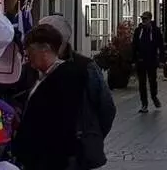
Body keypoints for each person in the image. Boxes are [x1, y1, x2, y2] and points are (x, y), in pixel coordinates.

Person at [39, 14, 116, 167]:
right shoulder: (32, 66)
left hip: (74, 152)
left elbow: (106, 108)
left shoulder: (85, 67)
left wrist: (91, 136)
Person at [13, 24, 84, 170]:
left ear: (45, 49)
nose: (27, 57)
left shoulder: (65, 77)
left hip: (51, 160)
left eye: (30, 51)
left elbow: (60, 125)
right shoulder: (45, 75)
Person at [132, 11, 164, 113]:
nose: (144, 21)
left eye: (145, 19)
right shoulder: (138, 31)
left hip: (152, 60)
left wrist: (161, 60)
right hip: (141, 60)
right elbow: (134, 46)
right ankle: (144, 104)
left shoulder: (155, 31)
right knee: (142, 83)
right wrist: (133, 60)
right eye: (142, 19)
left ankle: (154, 96)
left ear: (150, 19)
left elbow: (161, 46)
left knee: (152, 81)